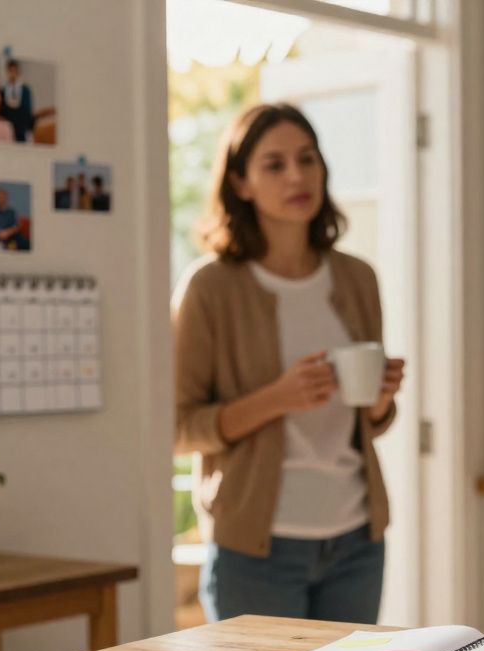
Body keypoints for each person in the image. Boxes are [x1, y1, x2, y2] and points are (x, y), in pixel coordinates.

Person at [173, 103, 406, 624]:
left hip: (357, 541)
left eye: (307, 159)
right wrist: (277, 398)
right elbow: (179, 428)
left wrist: (381, 400)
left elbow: (369, 422)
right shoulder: (209, 288)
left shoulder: (356, 278)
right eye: (274, 165)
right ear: (241, 183)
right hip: (256, 550)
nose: (297, 176)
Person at [1, 58, 34, 143]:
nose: (13, 74)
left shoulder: (25, 89)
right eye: (10, 71)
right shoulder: (3, 91)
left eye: (14, 71)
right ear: (7, 72)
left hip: (23, 131)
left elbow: (28, 110)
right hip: (7, 131)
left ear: (18, 72)